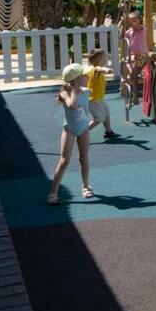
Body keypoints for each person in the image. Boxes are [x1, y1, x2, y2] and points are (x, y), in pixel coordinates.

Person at [47, 64, 95, 205]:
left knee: (84, 158)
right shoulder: (64, 93)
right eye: (84, 75)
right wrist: (74, 91)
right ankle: (53, 193)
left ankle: (86, 186)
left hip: (84, 129)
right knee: (64, 161)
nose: (87, 76)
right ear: (76, 79)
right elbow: (72, 106)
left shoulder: (86, 91)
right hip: (69, 130)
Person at [85, 48, 116, 140]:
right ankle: (82, 133)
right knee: (98, 118)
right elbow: (100, 69)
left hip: (99, 98)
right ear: (99, 61)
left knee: (106, 114)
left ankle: (108, 132)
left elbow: (94, 81)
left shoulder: (92, 70)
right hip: (93, 99)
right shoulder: (96, 68)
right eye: (104, 58)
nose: (105, 60)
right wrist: (106, 70)